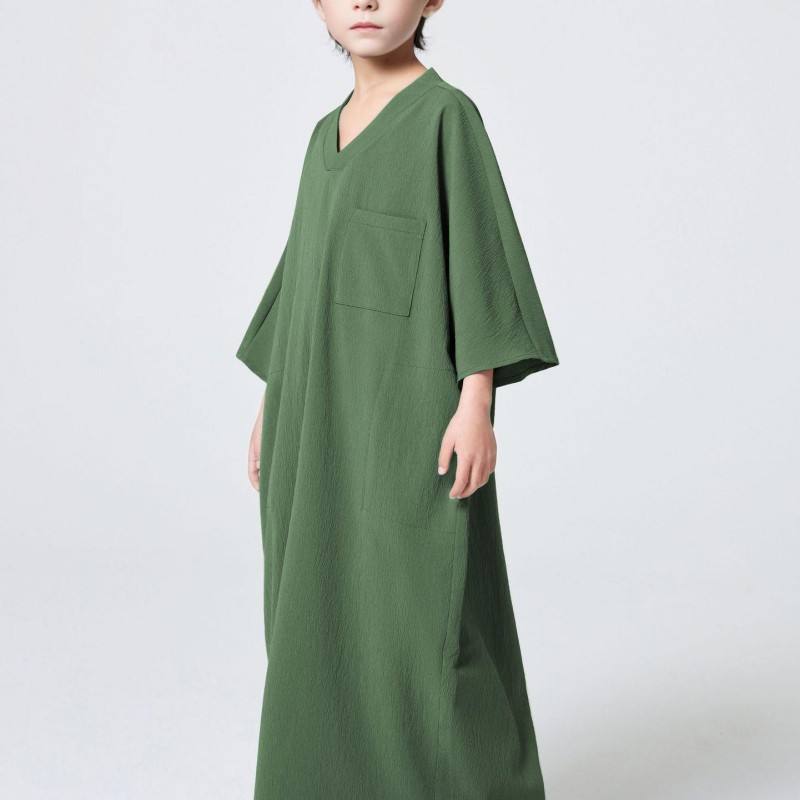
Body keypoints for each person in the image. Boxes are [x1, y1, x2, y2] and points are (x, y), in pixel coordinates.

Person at [236, 1, 559, 797]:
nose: (366, 2)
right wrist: (273, 402)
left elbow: (476, 259)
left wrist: (476, 402)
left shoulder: (447, 119)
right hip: (313, 423)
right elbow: (306, 279)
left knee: (424, 613)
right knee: (314, 606)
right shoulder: (324, 137)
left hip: (408, 420)